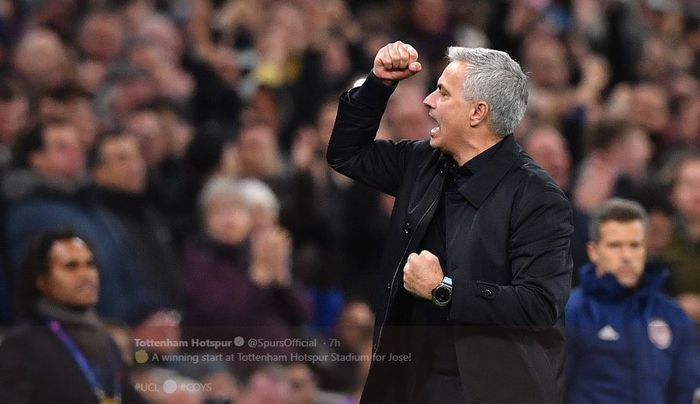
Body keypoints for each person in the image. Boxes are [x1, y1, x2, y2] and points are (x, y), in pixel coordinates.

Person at [327, 41, 573, 402]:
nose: (428, 101)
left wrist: (444, 289)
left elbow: (538, 305)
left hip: (490, 389)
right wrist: (377, 83)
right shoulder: (422, 162)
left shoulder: (538, 198)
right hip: (409, 379)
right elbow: (348, 154)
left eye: (442, 93)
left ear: (477, 112)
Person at [565, 198, 700, 403]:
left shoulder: (673, 316)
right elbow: (550, 389)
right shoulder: (572, 313)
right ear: (593, 252)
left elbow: (685, 391)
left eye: (635, 245)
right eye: (615, 246)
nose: (627, 255)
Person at [0, 229, 144, 403]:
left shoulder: (106, 341)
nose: (87, 275)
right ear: (41, 281)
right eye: (71, 266)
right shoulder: (22, 345)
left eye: (90, 264)